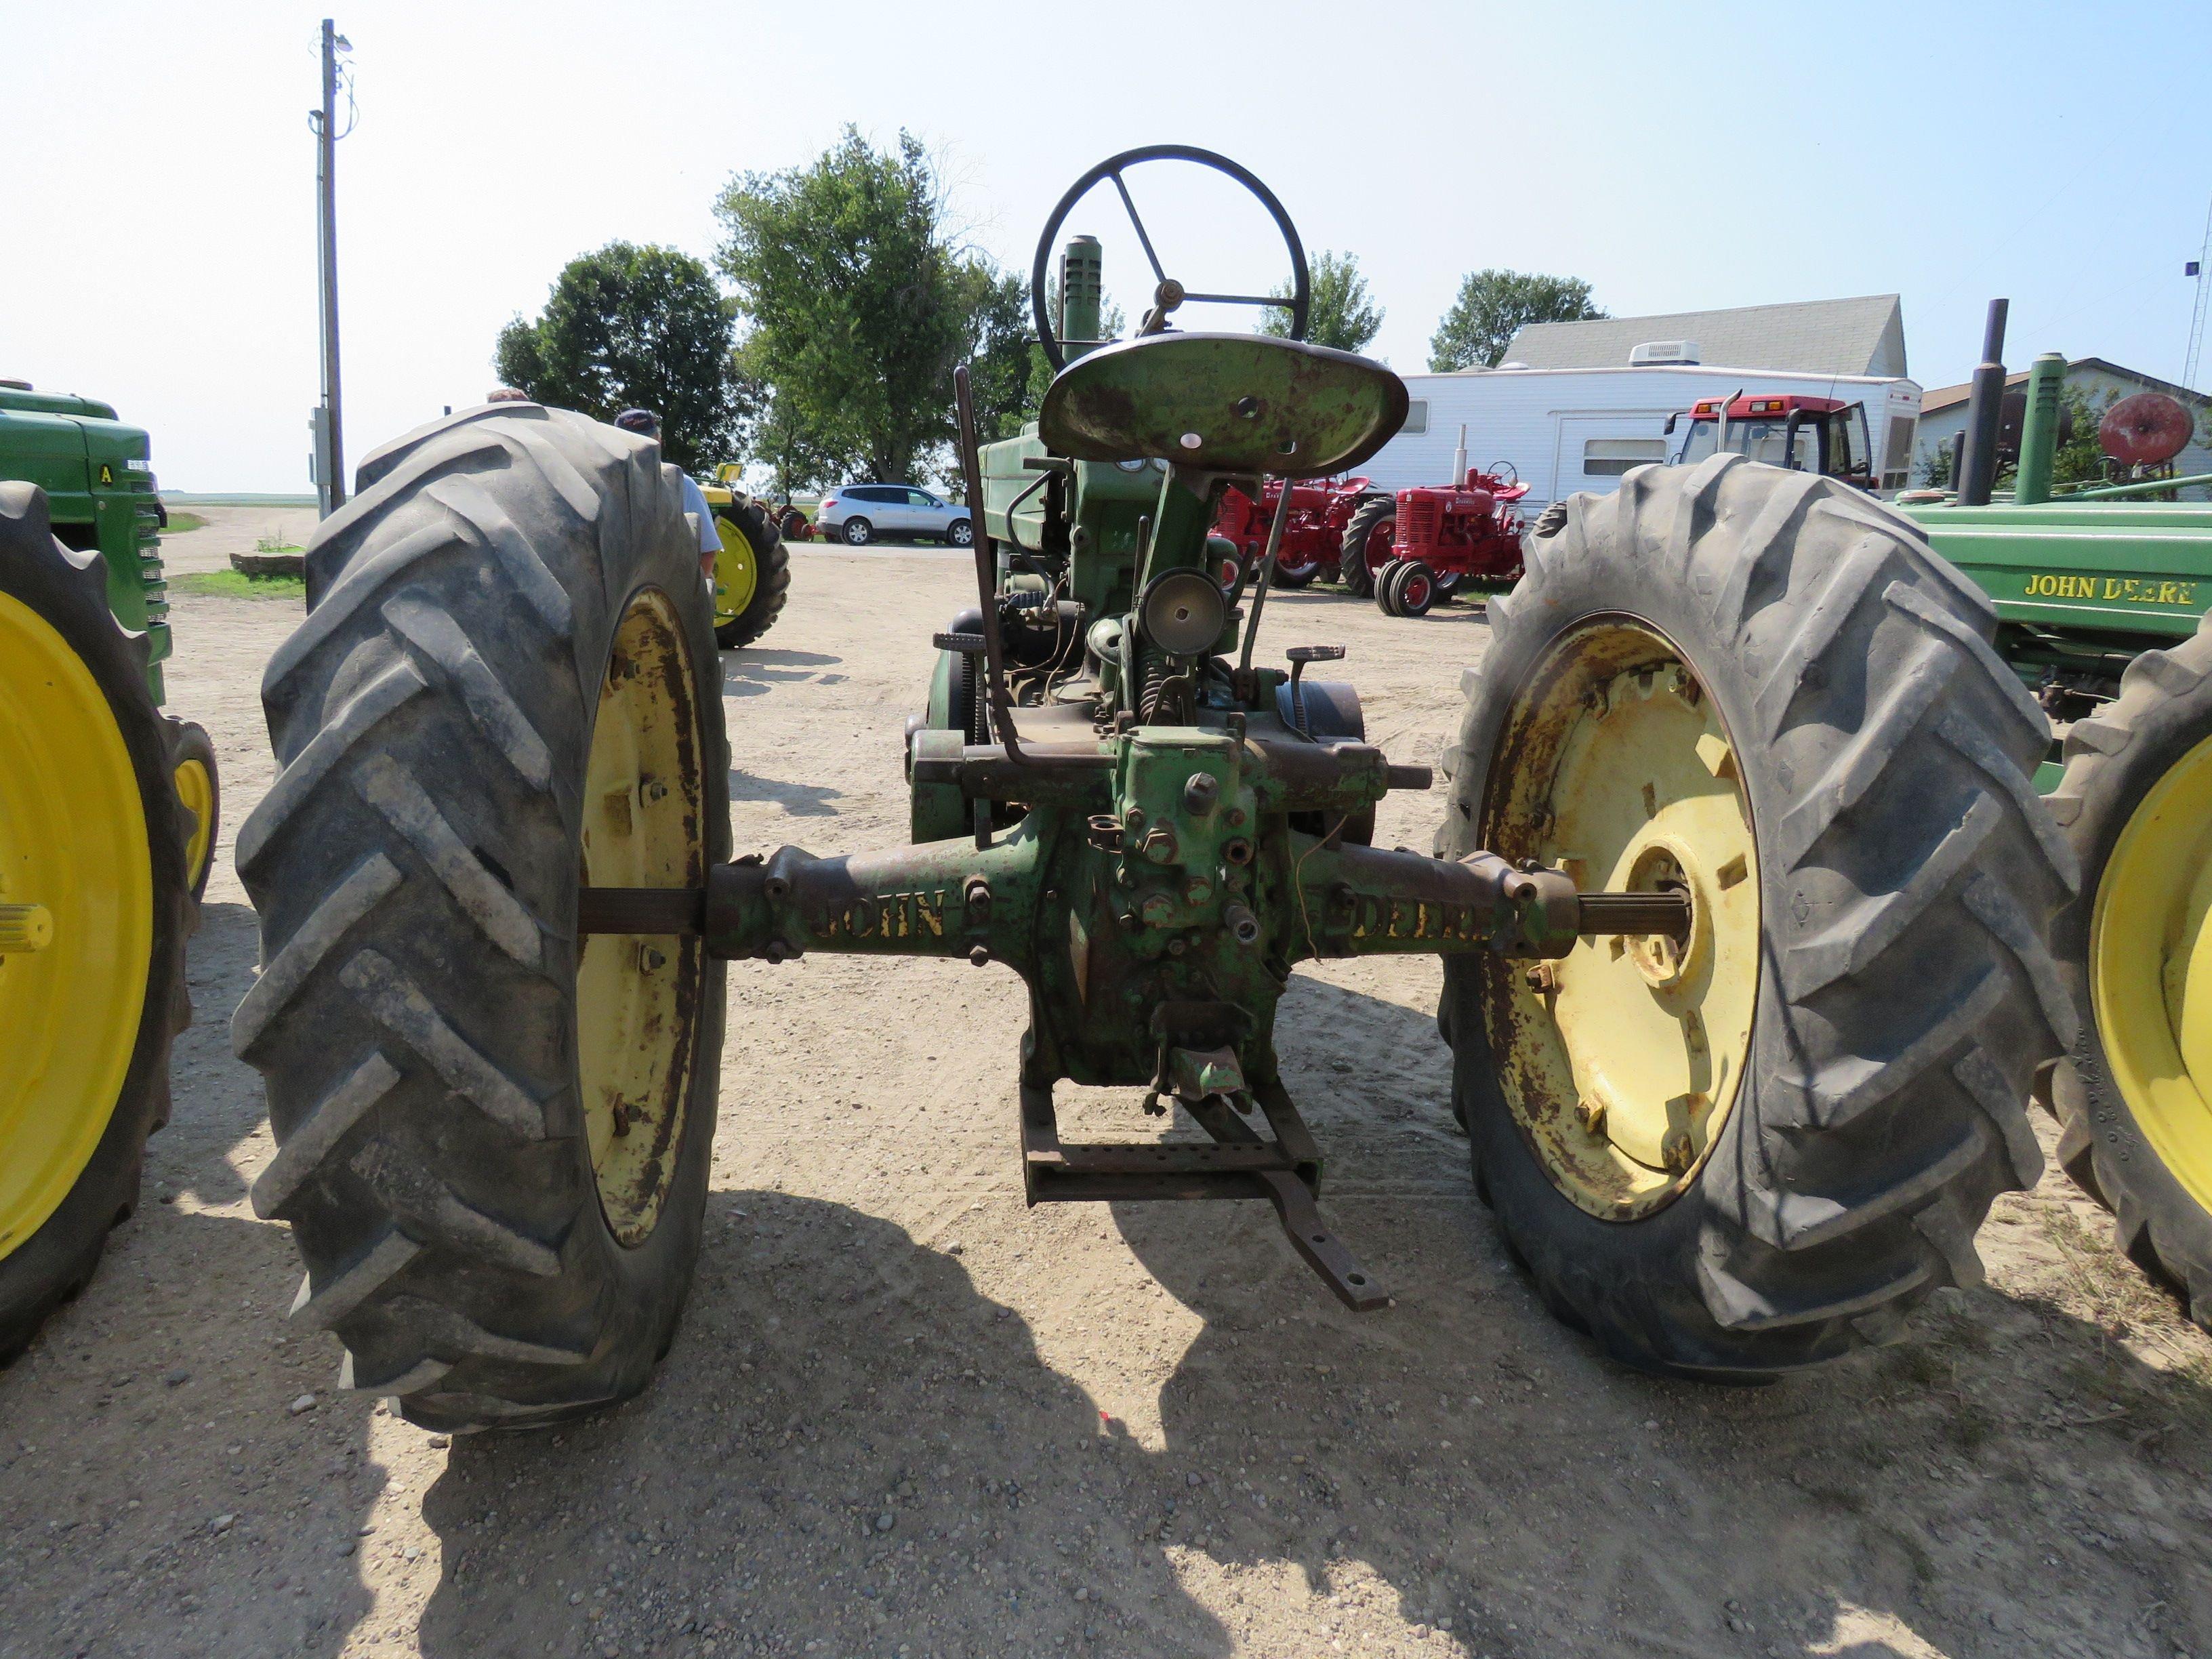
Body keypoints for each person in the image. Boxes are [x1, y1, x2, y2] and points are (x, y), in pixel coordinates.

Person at [613, 407, 720, 579]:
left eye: (645, 442)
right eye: (632, 442)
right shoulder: (609, 487)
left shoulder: (683, 486)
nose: (640, 449)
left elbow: (707, 552)